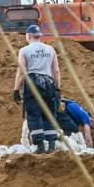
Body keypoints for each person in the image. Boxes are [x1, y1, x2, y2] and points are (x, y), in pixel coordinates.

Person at [13, 24, 61, 154]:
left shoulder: (24, 50)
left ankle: (39, 146)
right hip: (49, 83)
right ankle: (51, 145)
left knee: (34, 115)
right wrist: (58, 88)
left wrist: (16, 89)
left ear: (28, 36)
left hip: (33, 84)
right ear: (40, 36)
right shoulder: (50, 49)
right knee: (49, 114)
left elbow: (22, 71)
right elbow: (56, 70)